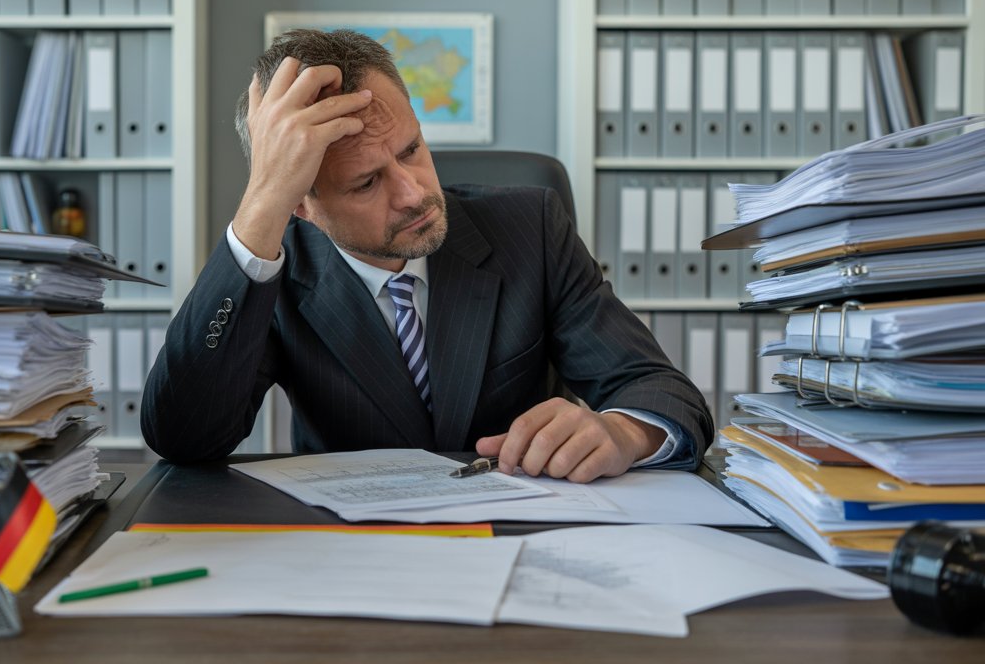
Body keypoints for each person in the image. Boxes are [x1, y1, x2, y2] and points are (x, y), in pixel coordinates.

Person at [142, 29, 713, 482]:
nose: (414, 192)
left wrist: (623, 433)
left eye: (412, 149)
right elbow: (184, 437)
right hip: (352, 554)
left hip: (520, 536)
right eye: (366, 183)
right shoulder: (274, 268)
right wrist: (262, 202)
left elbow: (660, 390)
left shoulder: (530, 227)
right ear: (301, 206)